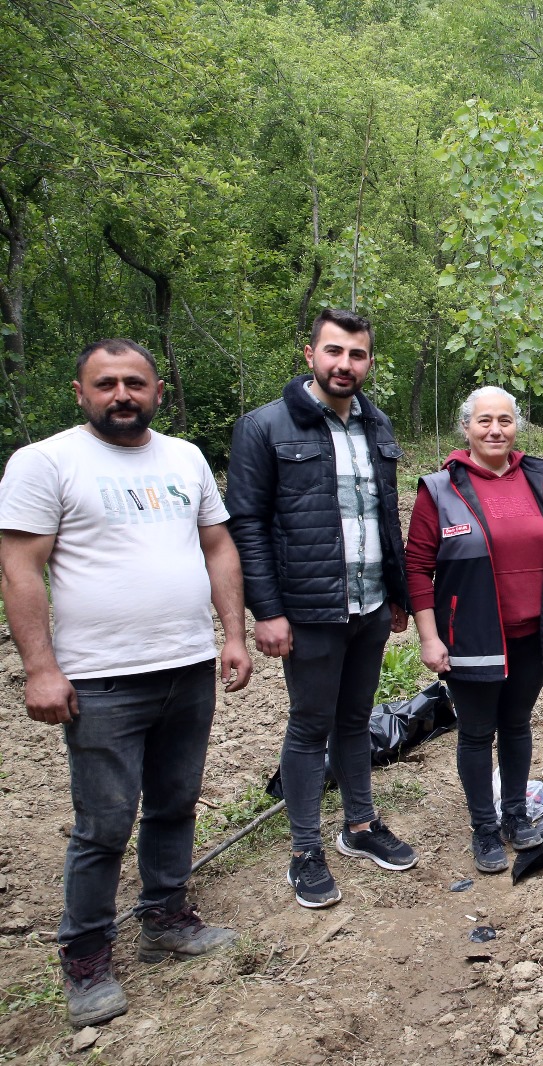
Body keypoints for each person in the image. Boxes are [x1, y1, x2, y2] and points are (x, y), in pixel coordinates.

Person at [0, 340, 252, 1027]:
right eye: (105, 383)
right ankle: (85, 957)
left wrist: (232, 634)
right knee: (105, 823)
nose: (121, 394)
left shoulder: (183, 458)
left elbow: (217, 544)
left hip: (186, 664)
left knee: (175, 802)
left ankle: (166, 918)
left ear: (157, 391)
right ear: (80, 391)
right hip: (102, 679)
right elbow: (20, 567)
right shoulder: (45, 463)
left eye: (134, 383)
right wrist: (41, 668)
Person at [227, 308, 416, 909]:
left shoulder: (375, 424)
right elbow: (248, 525)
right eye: (334, 351)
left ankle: (359, 826)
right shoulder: (265, 427)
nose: (345, 365)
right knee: (311, 725)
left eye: (357, 355)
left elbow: (385, 516)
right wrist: (267, 610)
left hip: (369, 605)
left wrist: (397, 595)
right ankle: (305, 850)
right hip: (307, 610)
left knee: (356, 719)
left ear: (368, 363)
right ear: (308, 354)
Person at [405, 386, 543, 873]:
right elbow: (417, 568)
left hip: (530, 632)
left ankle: (516, 815)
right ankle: (484, 827)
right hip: (472, 634)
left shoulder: (538, 479)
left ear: (516, 425)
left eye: (504, 420)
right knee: (477, 733)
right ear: (467, 428)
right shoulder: (440, 489)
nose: (495, 429)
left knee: (517, 724)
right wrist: (430, 637)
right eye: (484, 421)